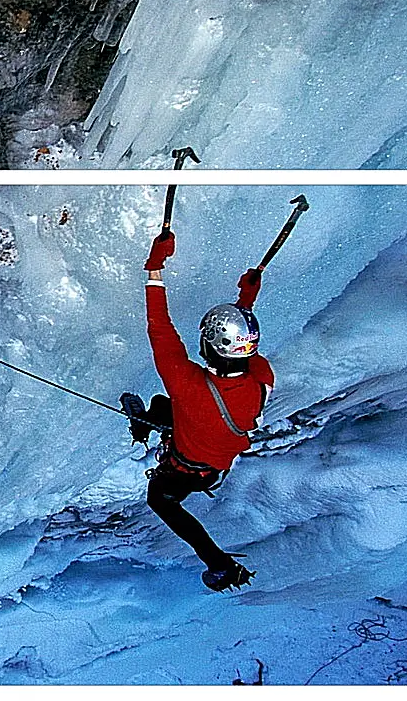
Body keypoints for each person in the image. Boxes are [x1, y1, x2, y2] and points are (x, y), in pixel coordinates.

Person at [134, 230, 274, 592]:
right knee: (167, 408)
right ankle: (143, 424)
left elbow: (160, 328)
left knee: (159, 498)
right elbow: (241, 352)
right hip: (207, 468)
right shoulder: (261, 380)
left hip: (184, 464)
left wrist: (155, 267)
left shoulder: (187, 384)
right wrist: (246, 303)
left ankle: (220, 563)